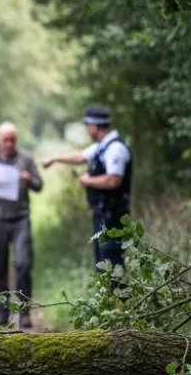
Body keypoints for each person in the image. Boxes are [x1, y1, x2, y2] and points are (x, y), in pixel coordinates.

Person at [40, 104, 132, 279]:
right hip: (103, 215)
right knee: (103, 267)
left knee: (112, 268)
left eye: (87, 126)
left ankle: (119, 305)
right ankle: (108, 304)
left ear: (94, 126)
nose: (87, 130)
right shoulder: (102, 146)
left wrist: (88, 181)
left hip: (113, 217)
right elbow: (79, 157)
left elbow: (114, 180)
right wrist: (54, 159)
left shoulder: (115, 149)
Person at [0, 121, 43, 328]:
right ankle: (1, 312)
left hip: (20, 218)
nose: (10, 143)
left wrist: (29, 179)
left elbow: (39, 185)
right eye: (6, 140)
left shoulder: (26, 159)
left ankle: (24, 311)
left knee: (23, 264)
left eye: (13, 139)